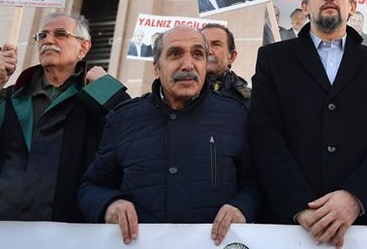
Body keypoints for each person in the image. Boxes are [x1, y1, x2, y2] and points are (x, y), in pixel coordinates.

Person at [249, 0, 367, 249]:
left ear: (353, 6)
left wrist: (355, 198)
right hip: (289, 226)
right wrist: (300, 207)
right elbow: (265, 135)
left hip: (361, 227)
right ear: (305, 6)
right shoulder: (273, 59)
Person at [0, 13, 128, 222]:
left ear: (83, 48)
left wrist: (105, 86)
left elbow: (134, 135)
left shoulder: (95, 95)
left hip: (64, 229)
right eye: (42, 35)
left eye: (61, 34)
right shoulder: (7, 96)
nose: (48, 40)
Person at [78, 26, 256, 246]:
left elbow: (254, 184)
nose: (188, 64)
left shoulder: (237, 115)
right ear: (156, 67)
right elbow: (91, 187)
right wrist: (109, 204)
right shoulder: (123, 118)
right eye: (175, 54)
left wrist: (242, 207)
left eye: (198, 54)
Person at [201, 23, 251, 104]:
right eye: (203, 45)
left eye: (216, 45)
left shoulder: (249, 100)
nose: (209, 51)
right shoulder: (181, 93)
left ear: (231, 57)